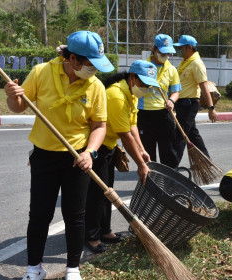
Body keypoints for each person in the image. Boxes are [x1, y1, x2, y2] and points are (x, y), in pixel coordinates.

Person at [5, 31, 114, 280]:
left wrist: (90, 152)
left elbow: (99, 126)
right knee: (40, 213)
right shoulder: (42, 72)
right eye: (90, 64)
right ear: (73, 59)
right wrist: (12, 97)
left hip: (77, 159)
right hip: (44, 157)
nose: (94, 70)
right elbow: (20, 107)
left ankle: (73, 268)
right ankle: (34, 268)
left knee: (75, 215)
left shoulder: (95, 85)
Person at [85, 60, 159, 253]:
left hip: (109, 146)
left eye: (149, 85)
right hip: (96, 148)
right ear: (132, 78)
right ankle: (92, 237)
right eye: (143, 83)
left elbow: (132, 125)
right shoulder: (116, 96)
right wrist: (141, 164)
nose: (146, 88)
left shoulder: (131, 94)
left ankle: (105, 231)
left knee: (108, 190)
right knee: (96, 193)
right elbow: (125, 135)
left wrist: (142, 149)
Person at [136, 34, 181, 169]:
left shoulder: (172, 70)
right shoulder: (143, 68)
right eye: (163, 52)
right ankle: (150, 182)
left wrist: (172, 101)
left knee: (169, 152)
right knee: (148, 153)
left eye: (168, 53)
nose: (166, 55)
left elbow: (176, 91)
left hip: (164, 115)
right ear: (154, 49)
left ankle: (170, 181)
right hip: (144, 115)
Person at [173, 35, 218, 163]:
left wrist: (211, 108)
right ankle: (205, 160)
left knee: (181, 136)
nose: (179, 50)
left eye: (181, 47)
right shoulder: (185, 61)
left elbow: (203, 86)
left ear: (190, 47)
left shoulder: (197, 63)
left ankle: (172, 165)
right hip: (181, 103)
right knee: (192, 133)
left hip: (189, 104)